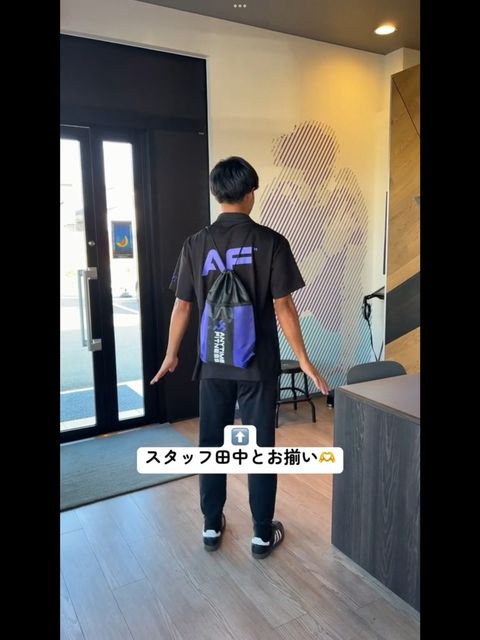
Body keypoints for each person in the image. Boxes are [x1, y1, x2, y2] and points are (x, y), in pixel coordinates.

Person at [151, 156, 329, 559]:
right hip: (258, 365)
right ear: (250, 193)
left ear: (217, 194)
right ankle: (262, 534)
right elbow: (284, 307)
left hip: (213, 364)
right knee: (260, 447)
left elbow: (182, 306)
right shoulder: (271, 242)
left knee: (211, 444)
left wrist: (171, 355)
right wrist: (303, 359)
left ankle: (211, 525)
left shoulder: (195, 243)